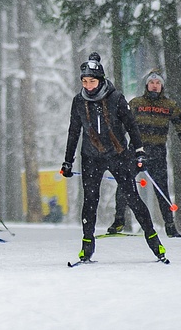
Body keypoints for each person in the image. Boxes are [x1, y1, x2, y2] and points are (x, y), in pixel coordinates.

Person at [60, 52, 167, 263]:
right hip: (90, 157)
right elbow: (74, 131)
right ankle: (87, 246)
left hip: (118, 155)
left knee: (132, 197)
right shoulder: (79, 101)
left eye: (92, 81)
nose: (88, 86)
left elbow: (131, 126)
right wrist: (68, 160)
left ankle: (154, 241)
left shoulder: (116, 97)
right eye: (84, 81)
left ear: (100, 81)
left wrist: (139, 151)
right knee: (90, 200)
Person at [108, 69, 181, 237]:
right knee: (123, 185)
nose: (155, 86)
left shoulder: (169, 106)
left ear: (162, 86)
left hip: (157, 153)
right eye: (152, 83)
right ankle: (119, 220)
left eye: (158, 84)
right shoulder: (135, 103)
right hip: (135, 151)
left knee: (161, 189)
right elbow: (121, 127)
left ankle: (170, 225)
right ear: (146, 85)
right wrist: (116, 149)